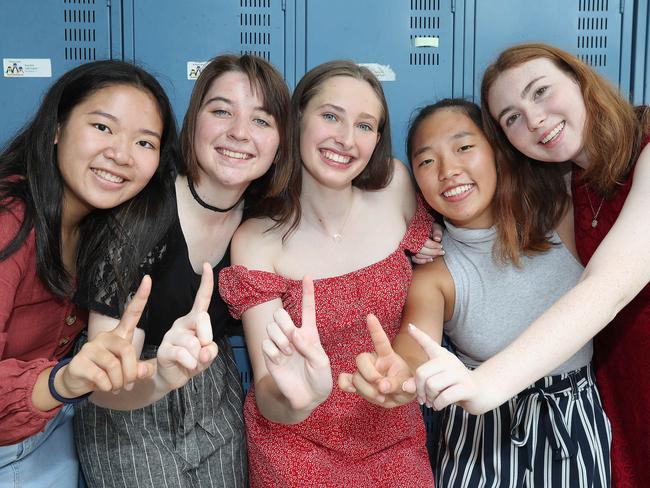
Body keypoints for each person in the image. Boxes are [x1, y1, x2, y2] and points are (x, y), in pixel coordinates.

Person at [407, 43, 650, 487]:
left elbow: (610, 285)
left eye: (541, 91)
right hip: (617, 387)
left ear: (579, 78)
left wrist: (486, 385)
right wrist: (415, 226)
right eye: (512, 118)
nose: (534, 119)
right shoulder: (561, 182)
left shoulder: (639, 151)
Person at [340, 99, 612, 486]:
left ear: (498, 153)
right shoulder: (435, 270)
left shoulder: (562, 216)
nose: (448, 171)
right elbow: (415, 346)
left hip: (572, 419)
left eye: (464, 147)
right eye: (426, 161)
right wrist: (400, 374)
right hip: (479, 429)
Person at [218, 60, 441, 487]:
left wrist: (435, 238)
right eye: (331, 116)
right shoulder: (256, 241)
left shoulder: (396, 186)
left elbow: (438, 265)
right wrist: (298, 399)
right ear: (297, 118)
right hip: (297, 444)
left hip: (392, 428)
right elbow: (268, 391)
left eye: (364, 125)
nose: (345, 139)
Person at [74, 54, 291, 488]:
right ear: (193, 122)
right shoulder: (139, 214)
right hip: (129, 400)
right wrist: (162, 375)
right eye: (221, 111)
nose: (239, 133)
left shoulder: (268, 219)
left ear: (281, 143)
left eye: (262, 120)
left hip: (213, 389)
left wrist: (418, 239)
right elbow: (106, 379)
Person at [0, 60, 178, 487]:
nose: (120, 154)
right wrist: (63, 381)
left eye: (144, 142)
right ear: (57, 128)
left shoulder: (104, 228)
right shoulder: (10, 218)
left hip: (51, 429)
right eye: (102, 127)